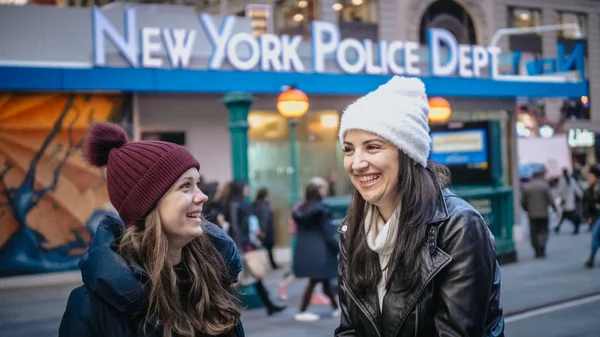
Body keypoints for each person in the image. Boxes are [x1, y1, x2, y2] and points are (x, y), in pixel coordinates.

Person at [334, 76, 504, 337]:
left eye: (372, 147)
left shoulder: (458, 226)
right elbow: (349, 331)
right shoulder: (352, 229)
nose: (356, 163)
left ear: (408, 153)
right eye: (349, 149)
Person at [59, 122, 244, 337]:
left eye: (198, 184)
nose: (202, 196)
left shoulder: (214, 278)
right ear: (148, 204)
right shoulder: (91, 306)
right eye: (186, 186)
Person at [224, 180, 286, 316]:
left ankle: (269, 305)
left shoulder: (240, 202)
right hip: (241, 245)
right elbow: (235, 227)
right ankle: (226, 310)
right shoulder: (235, 203)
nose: (247, 189)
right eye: (245, 187)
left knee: (254, 275)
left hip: (244, 244)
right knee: (235, 278)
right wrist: (238, 246)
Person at [292, 183, 340, 322]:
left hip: (306, 249)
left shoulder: (300, 209)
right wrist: (336, 248)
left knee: (323, 281)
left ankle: (336, 308)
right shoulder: (321, 209)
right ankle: (302, 310)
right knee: (315, 280)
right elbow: (327, 232)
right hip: (321, 250)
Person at [522, 170, 557, 258]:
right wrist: (554, 208)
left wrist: (527, 209)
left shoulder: (527, 187)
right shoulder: (544, 186)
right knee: (543, 231)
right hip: (544, 213)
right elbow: (550, 199)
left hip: (532, 214)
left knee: (534, 233)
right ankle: (542, 247)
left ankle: (537, 249)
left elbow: (523, 202)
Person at [252, 187, 279, 269]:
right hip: (266, 230)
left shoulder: (256, 204)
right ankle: (271, 265)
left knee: (266, 248)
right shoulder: (263, 205)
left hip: (260, 229)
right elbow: (265, 218)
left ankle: (272, 264)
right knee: (268, 247)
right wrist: (263, 230)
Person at [554, 168, 584, 234]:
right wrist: (581, 195)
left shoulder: (562, 180)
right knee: (565, 215)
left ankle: (576, 225)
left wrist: (554, 196)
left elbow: (559, 191)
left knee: (567, 215)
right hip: (569, 201)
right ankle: (558, 227)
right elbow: (577, 189)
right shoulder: (571, 180)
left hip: (565, 201)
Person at [583, 165, 600, 268]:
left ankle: (591, 258)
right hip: (594, 217)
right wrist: (588, 217)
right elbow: (585, 206)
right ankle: (591, 258)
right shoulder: (587, 191)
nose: (589, 179)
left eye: (591, 177)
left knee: (595, 236)